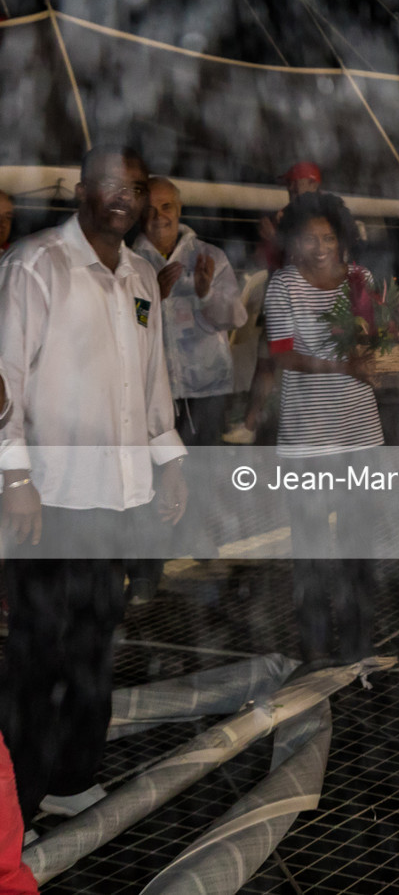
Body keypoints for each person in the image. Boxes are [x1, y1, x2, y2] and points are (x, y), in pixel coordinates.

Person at [0, 145, 188, 822]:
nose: (124, 196)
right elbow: (5, 383)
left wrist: (168, 460)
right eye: (110, 183)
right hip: (49, 499)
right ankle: (13, 801)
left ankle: (72, 777)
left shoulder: (140, 277)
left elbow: (151, 380)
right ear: (81, 190)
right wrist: (13, 476)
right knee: (35, 655)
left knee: (94, 645)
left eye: (135, 187)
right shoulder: (36, 267)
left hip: (118, 498)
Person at [262, 191, 382, 663]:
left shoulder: (360, 280)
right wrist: (339, 367)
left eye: (327, 237)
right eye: (308, 238)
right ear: (292, 242)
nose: (319, 246)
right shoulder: (283, 287)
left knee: (359, 550)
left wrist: (383, 355)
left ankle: (358, 648)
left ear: (343, 237)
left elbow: (374, 341)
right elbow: (282, 353)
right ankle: (313, 651)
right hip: (306, 441)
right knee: (310, 555)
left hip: (361, 437)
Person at [128, 178, 247, 599]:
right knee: (152, 477)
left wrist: (205, 292)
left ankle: (200, 541)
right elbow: (126, 328)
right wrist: (153, 299)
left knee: (202, 472)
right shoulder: (128, 261)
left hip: (206, 387)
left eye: (167, 206)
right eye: (151, 207)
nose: (159, 215)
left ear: (179, 209)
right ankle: (146, 570)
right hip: (153, 391)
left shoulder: (208, 256)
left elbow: (234, 317)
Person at [241, 161, 325, 440]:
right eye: (288, 182)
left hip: (311, 307)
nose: (290, 188)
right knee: (267, 361)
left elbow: (314, 261)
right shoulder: (283, 216)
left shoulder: (324, 218)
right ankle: (250, 423)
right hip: (282, 304)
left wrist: (275, 238)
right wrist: (266, 241)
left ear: (314, 184)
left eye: (296, 182)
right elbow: (266, 259)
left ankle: (308, 427)